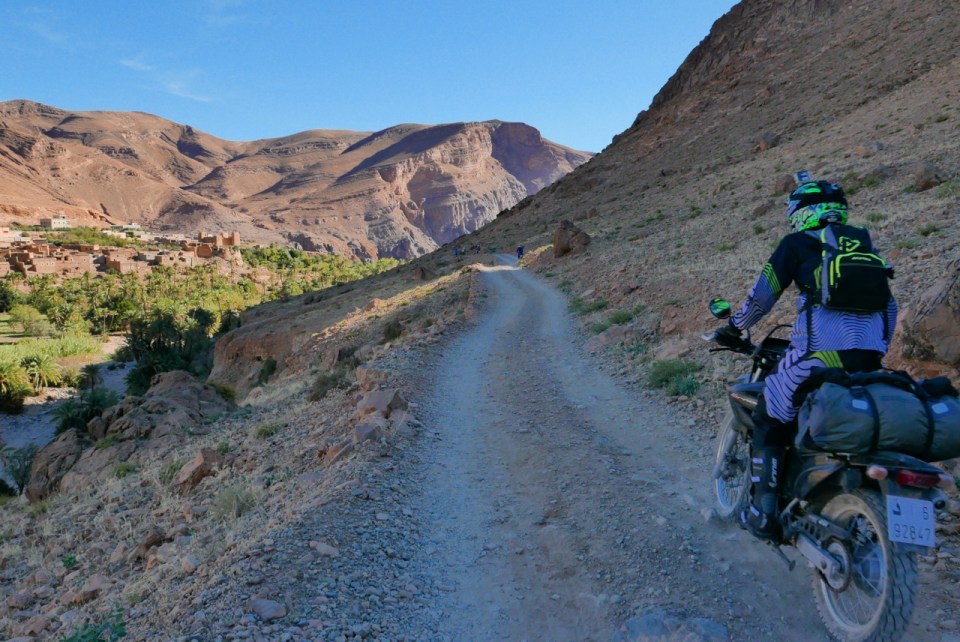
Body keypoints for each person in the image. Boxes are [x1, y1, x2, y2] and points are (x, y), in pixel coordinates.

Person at [713, 176, 896, 541]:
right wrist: (876, 349)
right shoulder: (863, 246)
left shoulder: (795, 244)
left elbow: (762, 296)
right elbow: (889, 308)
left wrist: (733, 327)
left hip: (818, 358)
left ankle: (763, 513)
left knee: (769, 413)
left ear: (802, 212)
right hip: (870, 360)